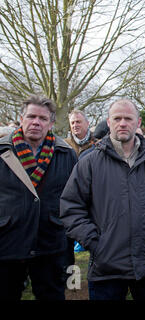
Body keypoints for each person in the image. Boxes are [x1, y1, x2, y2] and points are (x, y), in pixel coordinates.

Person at [60, 98, 145, 301]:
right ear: (109, 122)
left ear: (137, 123)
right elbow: (71, 206)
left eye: (128, 118)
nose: (123, 123)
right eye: (117, 118)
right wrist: (95, 243)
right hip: (106, 267)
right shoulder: (89, 162)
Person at [0, 94, 77, 300]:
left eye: (43, 118)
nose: (36, 122)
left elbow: (74, 197)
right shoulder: (2, 151)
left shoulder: (65, 153)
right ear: (21, 118)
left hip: (50, 242)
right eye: (31, 116)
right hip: (8, 242)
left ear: (51, 123)